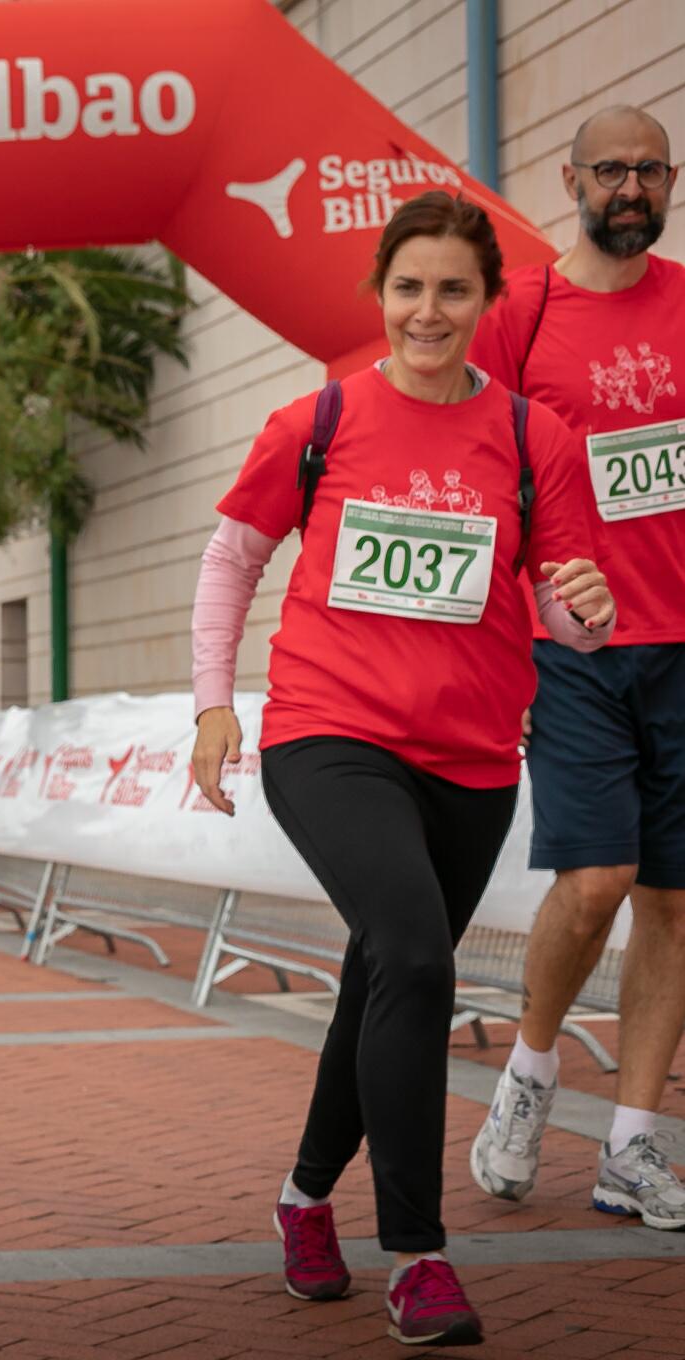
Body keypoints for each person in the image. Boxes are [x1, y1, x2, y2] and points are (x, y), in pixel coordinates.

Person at [188, 192, 613, 1346]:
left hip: (474, 758)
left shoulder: (537, 439)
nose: (429, 310)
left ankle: (303, 1198)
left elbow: (568, 610)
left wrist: (588, 607)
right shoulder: (318, 419)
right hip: (331, 735)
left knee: (387, 970)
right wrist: (215, 709)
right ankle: (419, 1255)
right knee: (420, 956)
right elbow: (231, 560)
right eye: (410, 286)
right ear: (381, 295)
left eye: (454, 289)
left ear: (485, 303)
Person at [465, 107, 685, 1232]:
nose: (631, 185)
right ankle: (530, 1076)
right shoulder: (523, 314)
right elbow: (470, 455)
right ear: (570, 181)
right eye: (612, 169)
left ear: (673, 177)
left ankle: (634, 1146)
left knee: (676, 901)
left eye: (650, 167)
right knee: (597, 879)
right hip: (577, 647)